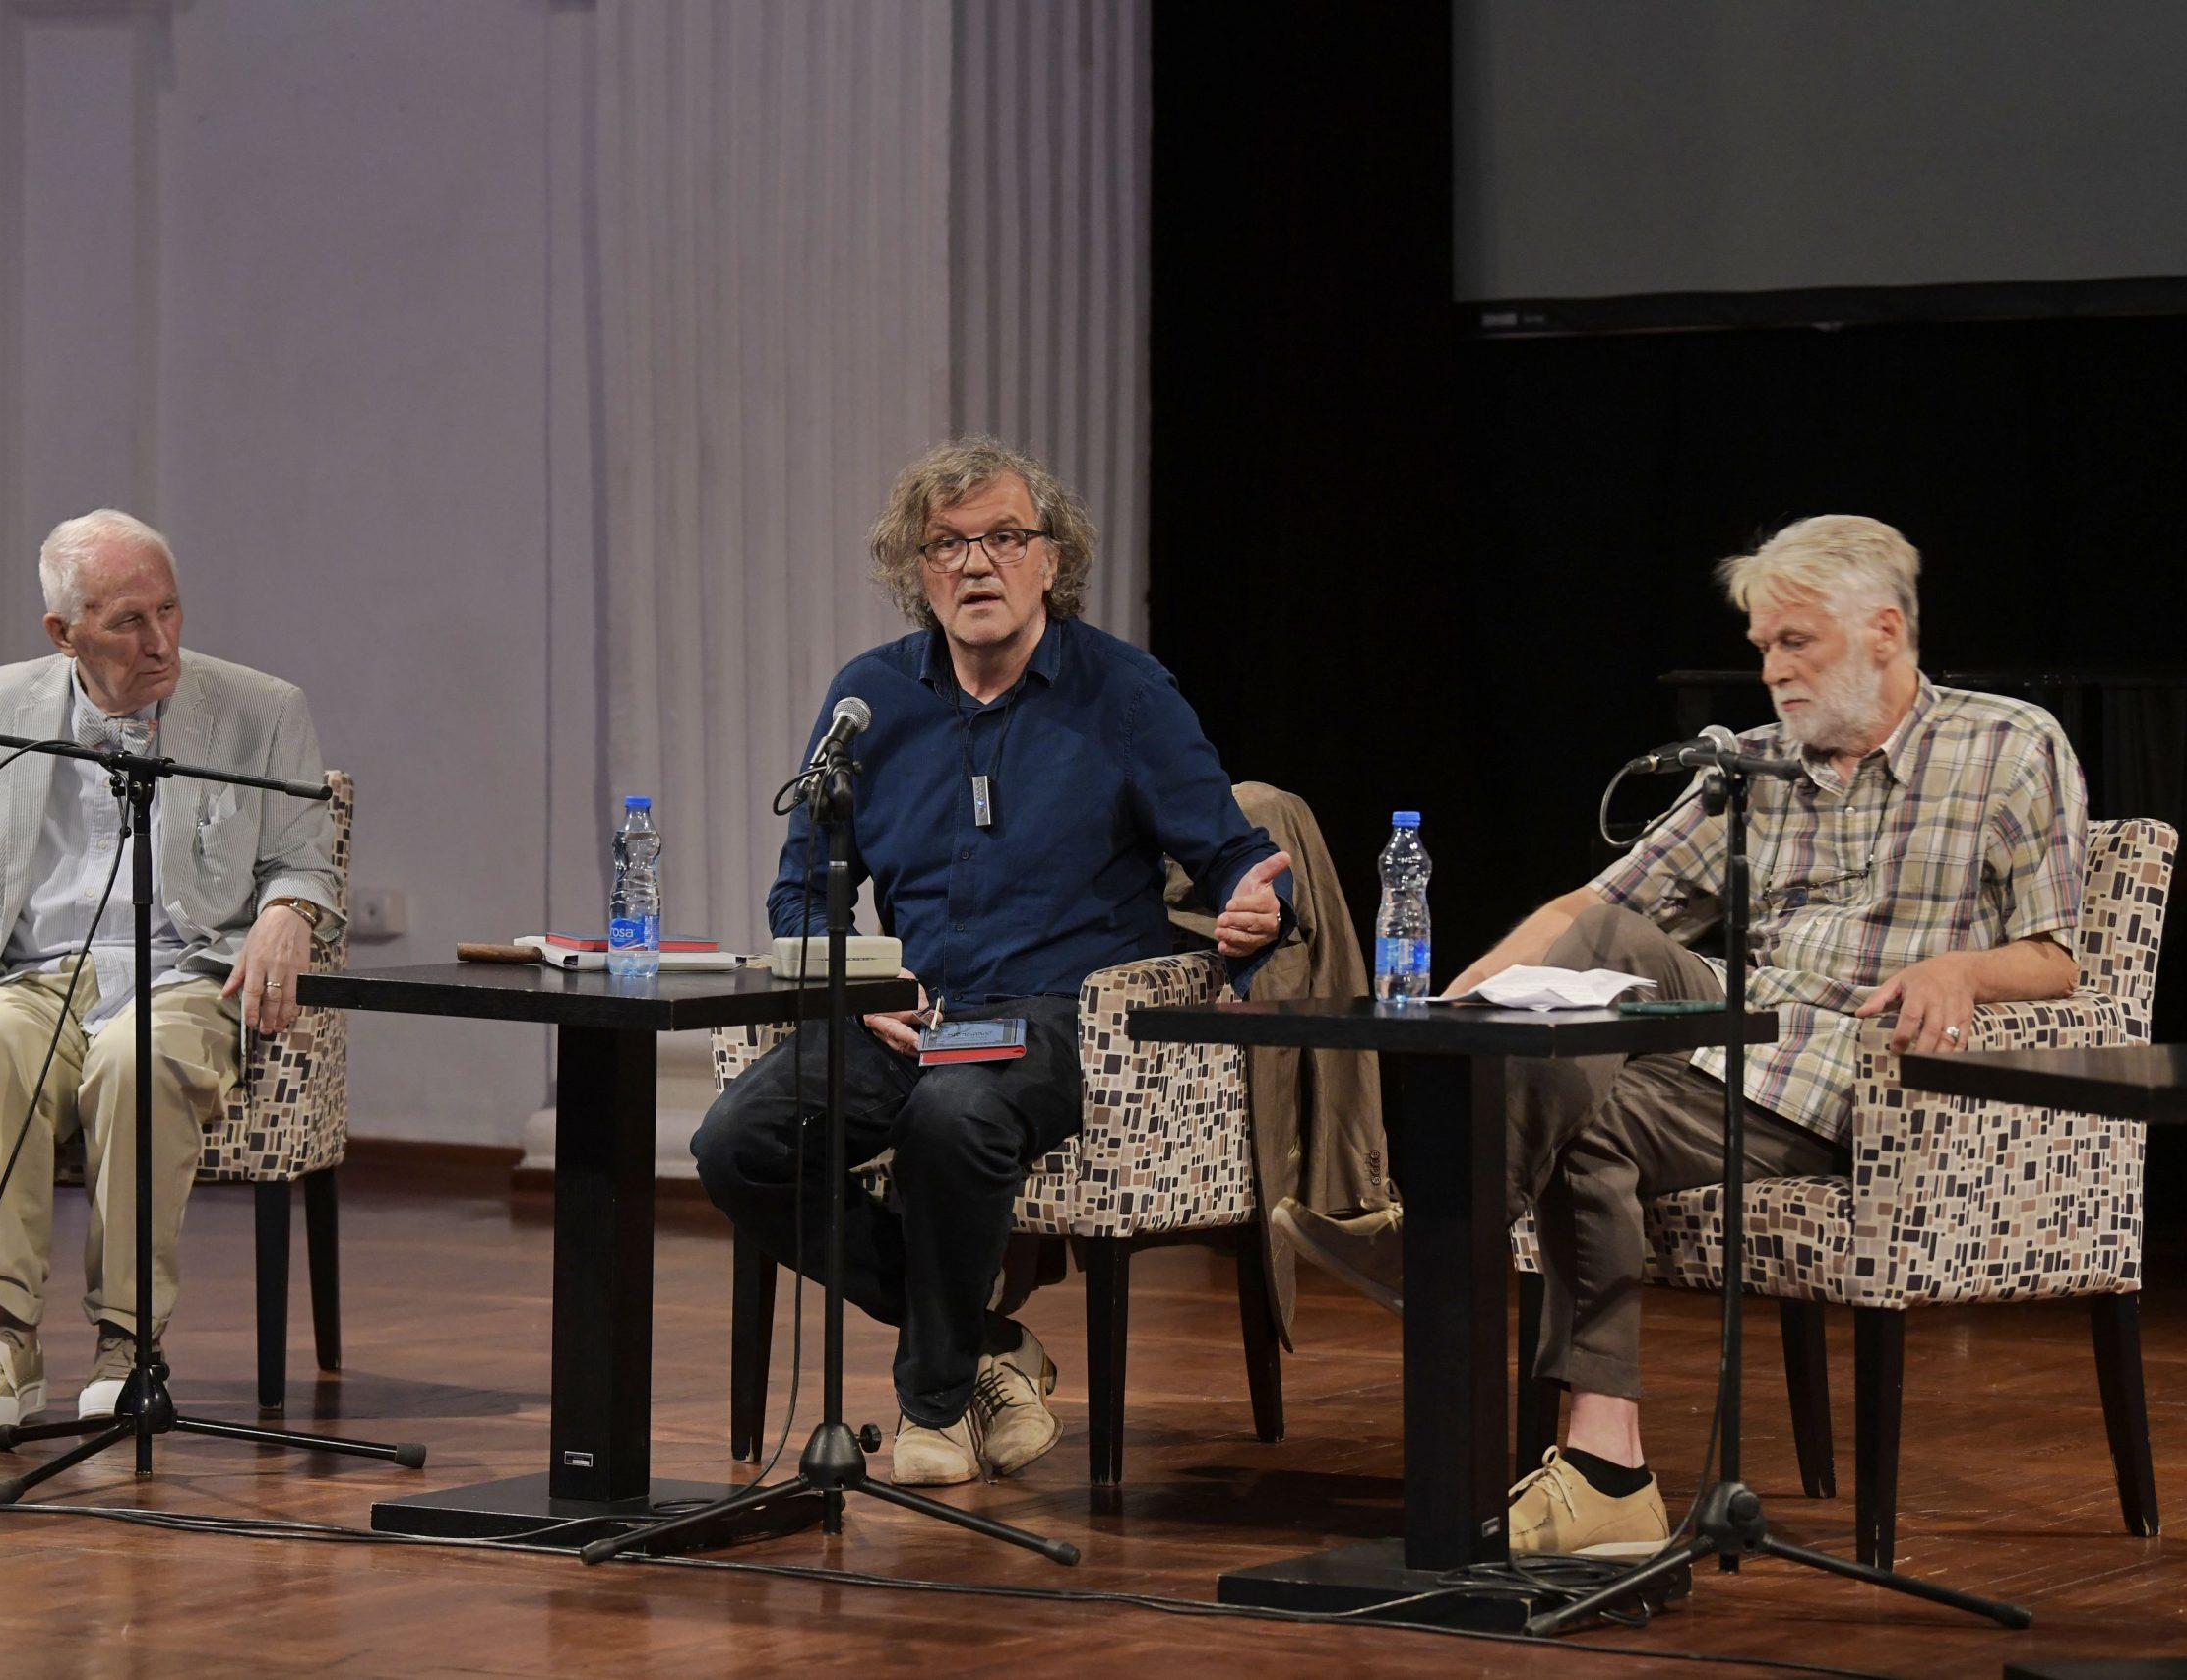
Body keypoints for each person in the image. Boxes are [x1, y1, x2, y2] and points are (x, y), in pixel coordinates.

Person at [1275, 515, 2087, 1555]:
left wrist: (1960, 967)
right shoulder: (1748, 767)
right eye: (1761, 649)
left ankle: (1485, 1303)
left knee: (1591, 1124)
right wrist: (1457, 1006)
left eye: (1796, 644)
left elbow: (2059, 956)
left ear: (1883, 631)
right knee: (1603, 940)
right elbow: (1598, 903)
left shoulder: (2006, 746)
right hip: (1723, 1028)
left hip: (1850, 1068)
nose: (1773, 673)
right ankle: (1514, 1330)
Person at [692, 438, 1294, 1486]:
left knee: (954, 1111)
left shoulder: (1125, 693)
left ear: (1049, 560)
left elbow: (1240, 859)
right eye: (947, 546)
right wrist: (863, 981)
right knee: (738, 1143)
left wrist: (1258, 909)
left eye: (1003, 539)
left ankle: (931, 1410)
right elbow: (803, 890)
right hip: (911, 1014)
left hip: (1063, 1017)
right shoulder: (867, 703)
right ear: (914, 571)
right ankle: (979, 1341)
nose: (976, 565)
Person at [0, 509, 343, 1434]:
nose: (161, 641)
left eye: (170, 611)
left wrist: (286, 911)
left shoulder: (262, 709)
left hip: (186, 973)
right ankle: (3, 1336)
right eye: (128, 622)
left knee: (137, 1060)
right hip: (39, 973)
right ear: (63, 633)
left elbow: (305, 857)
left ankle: (127, 1341)